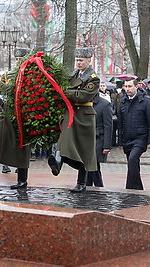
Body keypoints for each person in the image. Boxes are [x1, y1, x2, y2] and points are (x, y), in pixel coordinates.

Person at [48, 47, 99, 193]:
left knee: (84, 150)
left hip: (85, 116)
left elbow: (83, 96)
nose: (78, 62)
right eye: (77, 60)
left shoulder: (93, 78)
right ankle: (58, 162)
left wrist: (65, 92)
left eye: (81, 60)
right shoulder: (73, 75)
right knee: (64, 138)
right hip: (71, 114)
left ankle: (81, 182)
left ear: (89, 60)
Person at [117, 78, 150, 190]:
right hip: (127, 139)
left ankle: (129, 188)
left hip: (141, 138)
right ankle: (138, 188)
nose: (127, 89)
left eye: (130, 86)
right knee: (133, 164)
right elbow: (120, 123)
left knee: (133, 159)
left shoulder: (145, 101)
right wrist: (120, 141)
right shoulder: (123, 101)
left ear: (136, 86)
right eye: (125, 86)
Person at [86, 94, 113, 187]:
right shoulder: (84, 103)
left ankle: (96, 186)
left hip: (98, 139)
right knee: (90, 166)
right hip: (86, 139)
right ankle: (90, 186)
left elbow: (108, 126)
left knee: (92, 165)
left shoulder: (105, 104)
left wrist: (107, 145)